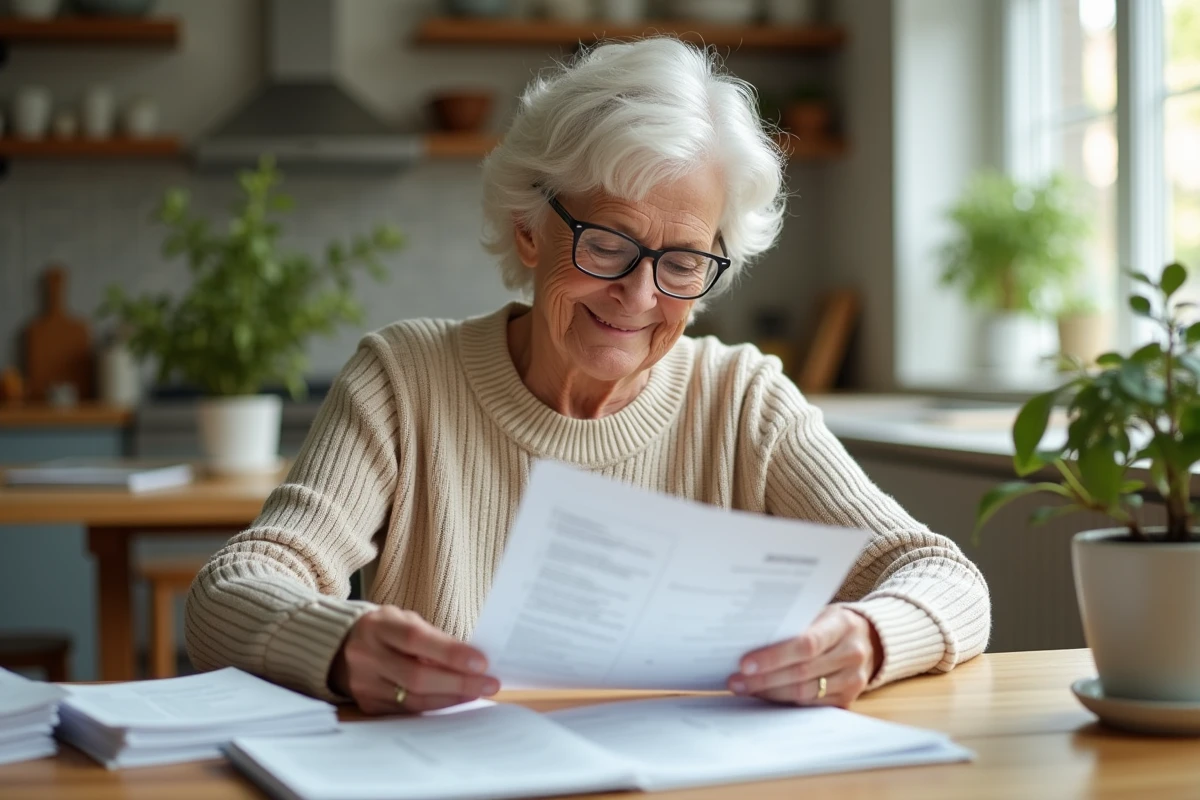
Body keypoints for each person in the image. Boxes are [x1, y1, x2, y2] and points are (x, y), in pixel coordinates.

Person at [185, 37, 990, 715]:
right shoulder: (404, 380)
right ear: (529, 229)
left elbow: (944, 575)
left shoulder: (743, 401)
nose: (639, 297)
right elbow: (229, 591)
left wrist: (868, 638)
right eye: (608, 245)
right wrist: (340, 645)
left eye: (681, 261)